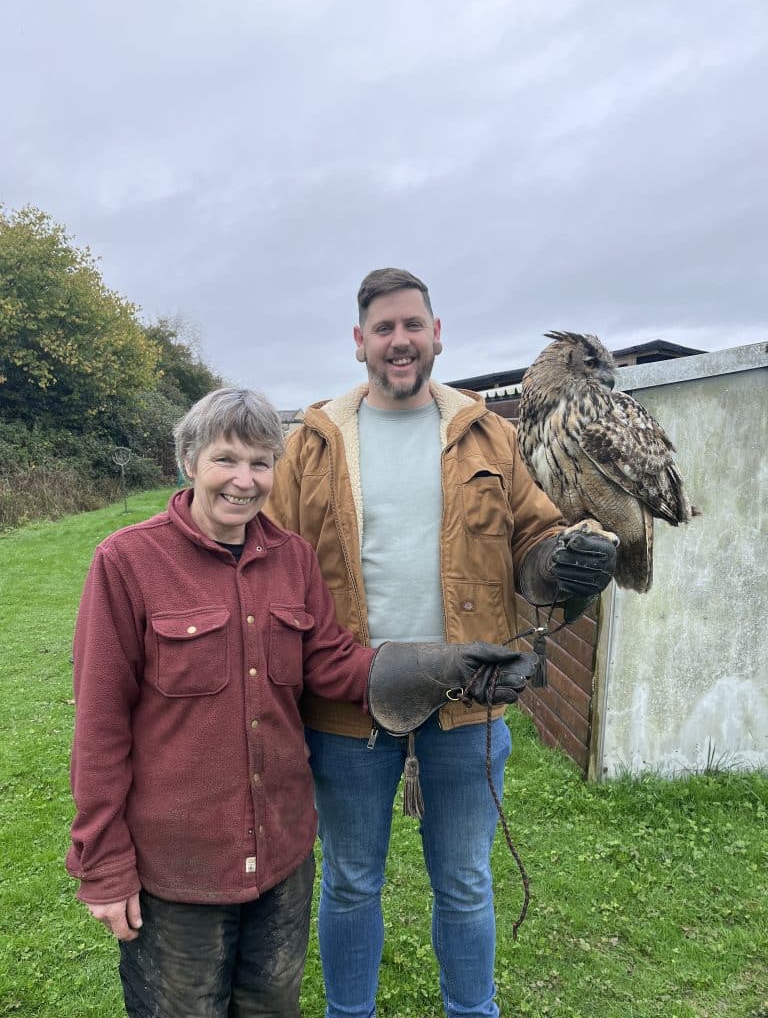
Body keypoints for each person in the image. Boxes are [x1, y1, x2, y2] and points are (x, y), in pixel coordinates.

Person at [66, 385, 540, 1018]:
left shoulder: (291, 559)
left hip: (282, 862)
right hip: (181, 866)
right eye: (225, 460)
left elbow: (330, 661)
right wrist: (103, 864)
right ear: (188, 462)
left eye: (261, 462)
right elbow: (99, 726)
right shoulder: (127, 563)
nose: (244, 480)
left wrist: (444, 668)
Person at [265, 269, 618, 1018]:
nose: (401, 341)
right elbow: (272, 560)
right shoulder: (313, 443)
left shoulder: (492, 433)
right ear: (360, 342)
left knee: (465, 882)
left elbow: (535, 537)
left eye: (412, 326)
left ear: (437, 334)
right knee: (351, 880)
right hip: (346, 702)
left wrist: (563, 561)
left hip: (468, 699)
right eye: (384, 328)